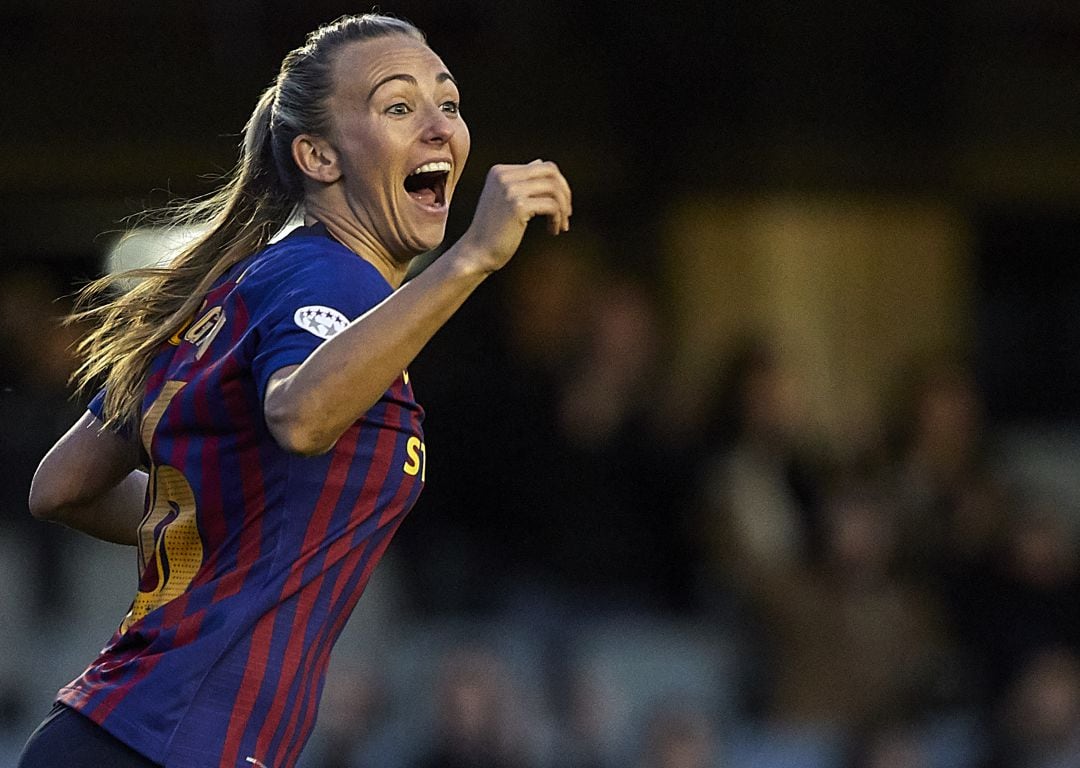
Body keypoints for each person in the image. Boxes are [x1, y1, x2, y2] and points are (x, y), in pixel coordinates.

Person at [18, 12, 571, 768]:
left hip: (115, 732)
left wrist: (215, 519)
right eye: (398, 106)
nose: (440, 126)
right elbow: (301, 413)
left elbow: (62, 487)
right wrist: (473, 258)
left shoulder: (240, 287)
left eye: (449, 102)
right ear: (317, 155)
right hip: (175, 741)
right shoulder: (329, 278)